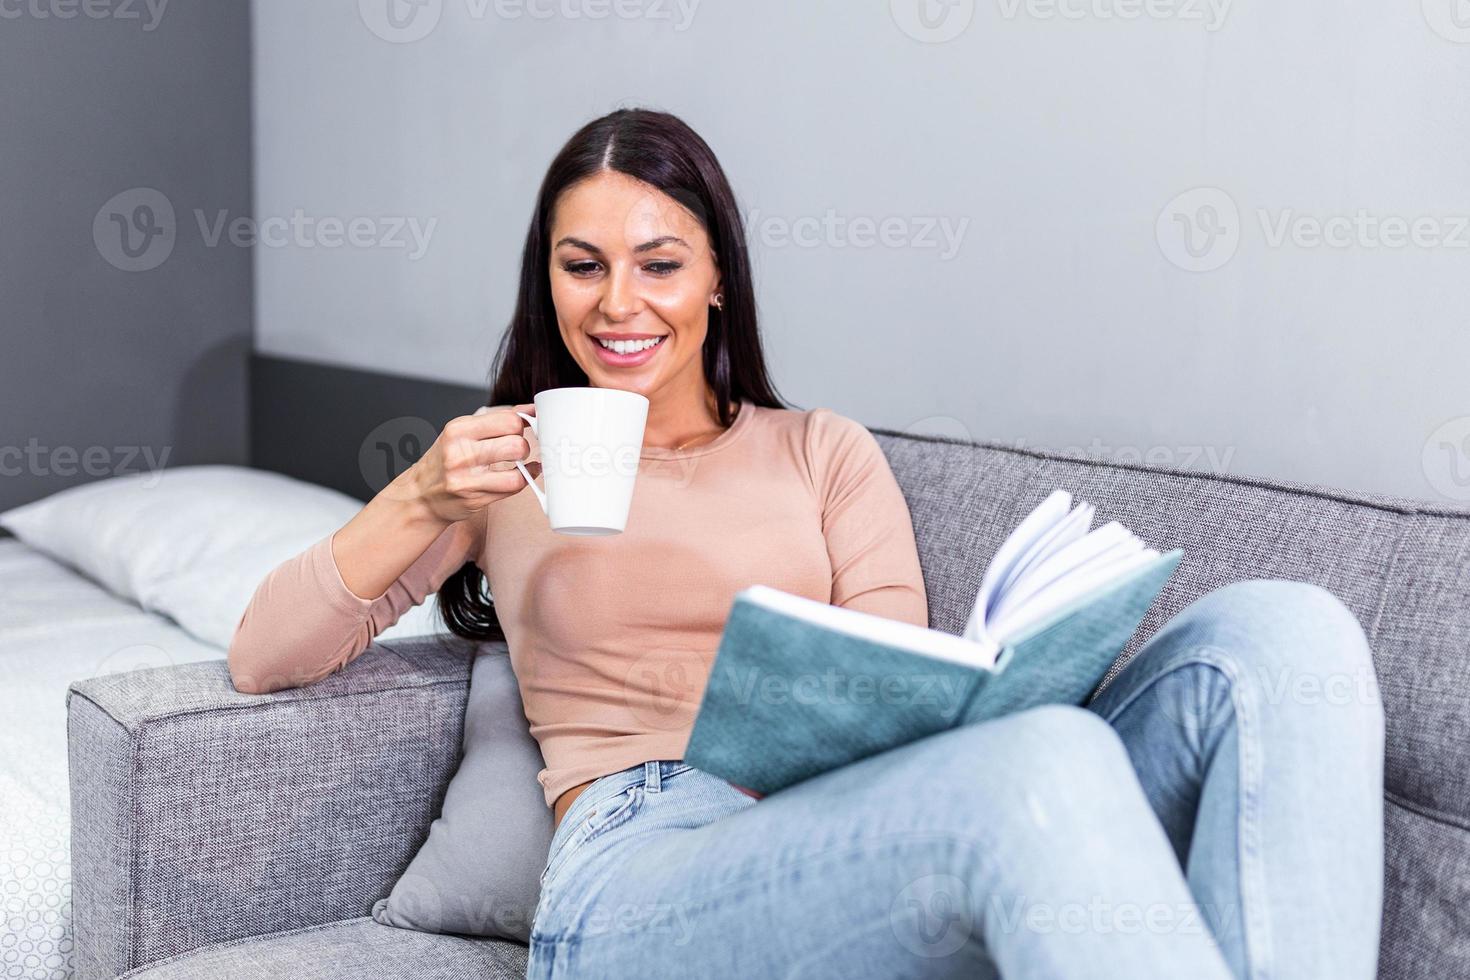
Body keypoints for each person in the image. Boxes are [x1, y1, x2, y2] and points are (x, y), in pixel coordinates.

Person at [228, 107, 1385, 979]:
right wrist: (424, 491)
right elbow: (263, 655)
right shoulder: (504, 467)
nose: (619, 302)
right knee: (1045, 764)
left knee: (1284, 633)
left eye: (661, 262)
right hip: (639, 863)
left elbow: (895, 693)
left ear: (719, 277)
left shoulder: (825, 451)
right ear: (549, 280)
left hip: (850, 820)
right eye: (583, 265)